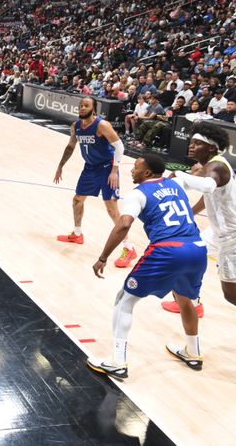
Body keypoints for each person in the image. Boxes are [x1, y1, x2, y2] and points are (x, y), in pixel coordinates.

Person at [86, 154, 208, 379]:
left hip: (167, 250)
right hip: (197, 248)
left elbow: (123, 225)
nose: (132, 170)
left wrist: (103, 256)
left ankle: (117, 361)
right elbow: (192, 178)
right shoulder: (176, 182)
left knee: (124, 300)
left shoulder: (138, 193)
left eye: (136, 168)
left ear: (148, 173)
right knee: (185, 300)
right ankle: (193, 352)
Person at [54, 97, 138, 268]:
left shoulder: (102, 125)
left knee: (111, 208)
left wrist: (114, 171)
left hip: (107, 168)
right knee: (77, 200)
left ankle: (129, 247)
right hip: (90, 168)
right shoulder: (76, 126)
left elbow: (120, 147)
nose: (82, 108)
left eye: (86, 105)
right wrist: (60, 166)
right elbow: (71, 146)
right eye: (80, 105)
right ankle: (77, 233)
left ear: (93, 109)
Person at [161, 123, 236, 316]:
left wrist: (179, 174)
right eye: (191, 142)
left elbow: (207, 187)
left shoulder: (217, 166)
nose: (191, 146)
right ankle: (192, 303)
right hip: (217, 232)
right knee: (189, 257)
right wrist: (190, 212)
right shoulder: (208, 166)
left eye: (197, 143)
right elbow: (206, 195)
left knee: (231, 295)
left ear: (211, 147)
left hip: (232, 236)